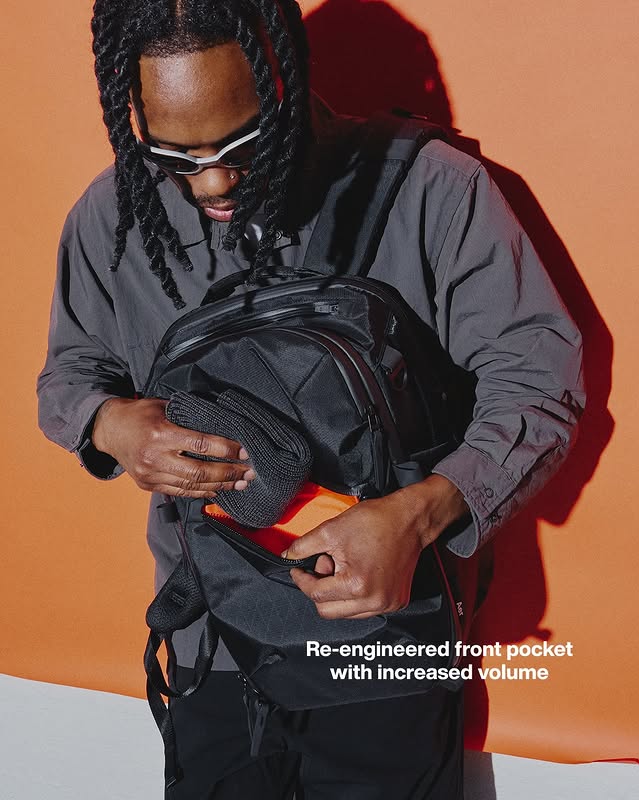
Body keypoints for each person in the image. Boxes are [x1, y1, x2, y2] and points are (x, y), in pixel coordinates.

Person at [37, 1, 585, 798]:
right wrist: (111, 423)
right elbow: (68, 373)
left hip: (385, 645)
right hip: (209, 642)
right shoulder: (115, 214)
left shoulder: (431, 188)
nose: (212, 182)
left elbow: (539, 380)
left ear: (283, 80)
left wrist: (417, 517)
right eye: (174, 154)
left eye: (241, 144)